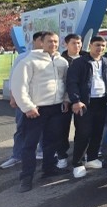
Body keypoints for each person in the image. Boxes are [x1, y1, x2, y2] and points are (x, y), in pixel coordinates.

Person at [10, 32, 70, 192]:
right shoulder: (29, 61)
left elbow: (65, 83)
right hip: (36, 109)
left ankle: (48, 169)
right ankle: (26, 178)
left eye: (56, 41)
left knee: (51, 142)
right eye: (49, 41)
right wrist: (28, 107)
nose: (53, 44)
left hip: (56, 108)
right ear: (41, 43)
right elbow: (19, 86)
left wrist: (66, 99)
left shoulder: (62, 61)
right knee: (30, 145)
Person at [66, 36, 107, 179]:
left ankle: (92, 157)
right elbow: (72, 82)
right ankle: (78, 163)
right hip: (85, 103)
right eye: (97, 45)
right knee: (83, 133)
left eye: (103, 45)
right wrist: (76, 100)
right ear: (90, 46)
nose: (100, 48)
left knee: (97, 131)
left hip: (102, 102)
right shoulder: (79, 62)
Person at [0, 31, 46, 169]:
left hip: (45, 101)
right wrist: (13, 97)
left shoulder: (53, 58)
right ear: (34, 41)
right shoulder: (23, 57)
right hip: (24, 101)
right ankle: (17, 156)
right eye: (42, 40)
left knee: (45, 128)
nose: (45, 43)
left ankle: (42, 152)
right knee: (21, 129)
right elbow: (14, 79)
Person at [58, 33, 88, 168]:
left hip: (83, 100)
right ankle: (62, 155)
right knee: (62, 129)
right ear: (66, 44)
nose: (77, 46)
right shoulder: (61, 60)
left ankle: (80, 154)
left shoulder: (87, 58)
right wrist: (66, 98)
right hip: (65, 100)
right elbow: (62, 82)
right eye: (73, 43)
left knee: (82, 129)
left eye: (79, 43)